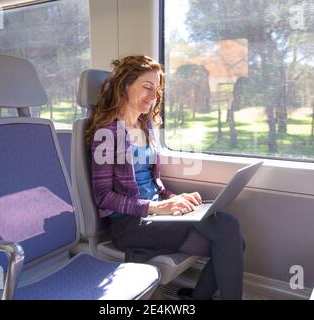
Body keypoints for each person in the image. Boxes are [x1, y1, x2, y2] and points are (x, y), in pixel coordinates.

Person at [86, 55, 244, 300]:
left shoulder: (146, 127)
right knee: (228, 229)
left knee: (232, 240)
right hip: (130, 225)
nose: (154, 95)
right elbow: (104, 198)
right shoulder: (107, 133)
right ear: (125, 86)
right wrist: (159, 207)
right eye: (147, 87)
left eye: (157, 89)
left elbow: (153, 183)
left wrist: (174, 199)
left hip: (155, 215)